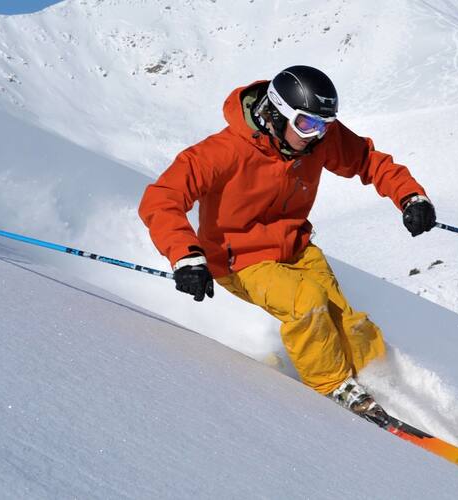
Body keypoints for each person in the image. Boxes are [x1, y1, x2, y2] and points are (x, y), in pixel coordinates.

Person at [138, 65, 436, 425]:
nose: (316, 136)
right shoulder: (223, 152)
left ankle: (387, 383)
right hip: (239, 260)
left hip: (296, 247)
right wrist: (186, 257)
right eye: (307, 126)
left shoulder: (317, 140)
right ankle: (332, 387)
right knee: (307, 303)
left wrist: (410, 197)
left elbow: (367, 160)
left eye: (324, 126)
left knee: (347, 319)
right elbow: (161, 199)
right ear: (275, 114)